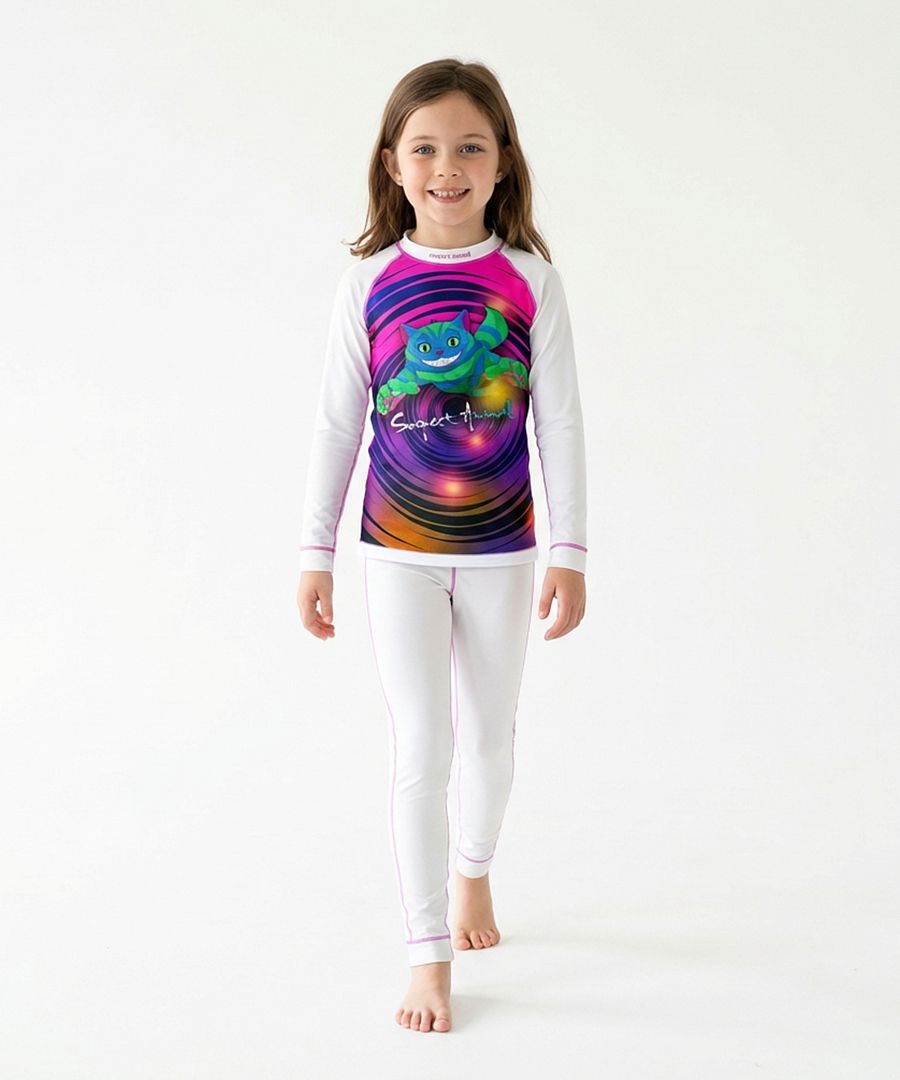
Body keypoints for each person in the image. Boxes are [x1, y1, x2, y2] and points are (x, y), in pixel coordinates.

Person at [296, 57, 588, 1034]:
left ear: (503, 162)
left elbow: (561, 425)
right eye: (425, 148)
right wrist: (314, 552)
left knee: (491, 743)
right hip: (398, 553)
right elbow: (338, 425)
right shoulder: (370, 285)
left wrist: (572, 550)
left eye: (470, 147)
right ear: (393, 164)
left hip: (503, 552)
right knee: (423, 746)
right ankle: (427, 953)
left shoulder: (531, 284)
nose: (447, 167)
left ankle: (475, 870)